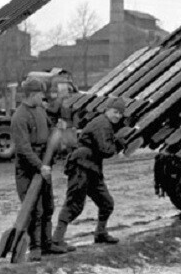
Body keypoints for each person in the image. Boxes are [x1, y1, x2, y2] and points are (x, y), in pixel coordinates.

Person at [52, 97, 126, 250]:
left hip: (92, 167)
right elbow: (106, 150)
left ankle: (100, 233)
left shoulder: (106, 124)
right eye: (115, 112)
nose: (117, 116)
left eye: (120, 113)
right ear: (107, 110)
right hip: (81, 166)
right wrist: (119, 143)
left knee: (106, 202)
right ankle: (56, 240)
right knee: (74, 204)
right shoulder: (102, 125)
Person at [11, 79, 67, 262]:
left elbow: (49, 132)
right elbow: (23, 148)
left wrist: (58, 131)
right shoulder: (19, 117)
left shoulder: (40, 110)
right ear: (32, 95)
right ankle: (35, 248)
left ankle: (47, 243)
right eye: (39, 94)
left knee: (48, 206)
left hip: (44, 162)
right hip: (28, 168)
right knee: (34, 209)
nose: (42, 97)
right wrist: (40, 166)